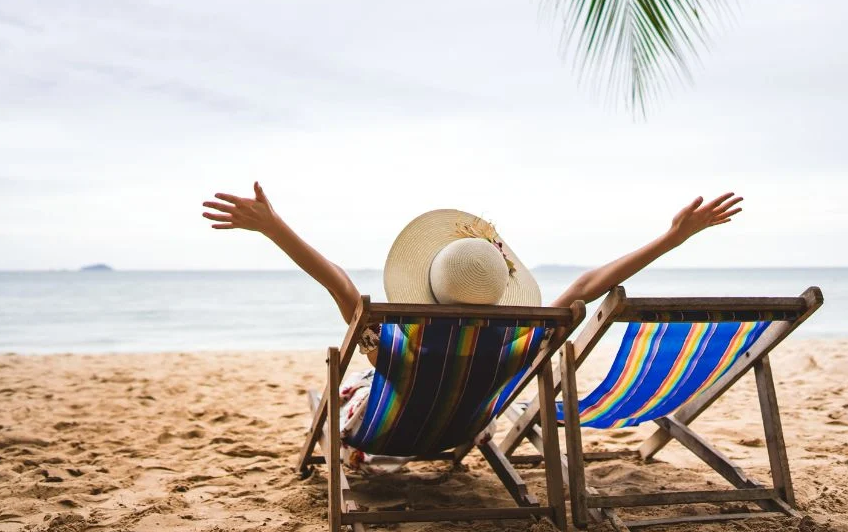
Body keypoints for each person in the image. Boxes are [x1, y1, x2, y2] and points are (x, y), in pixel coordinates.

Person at [201, 182, 742, 472]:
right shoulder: (521, 343)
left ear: (426, 286)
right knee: (393, 389)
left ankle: (352, 452)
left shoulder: (399, 344)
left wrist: (274, 229)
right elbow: (586, 288)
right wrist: (672, 239)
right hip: (462, 431)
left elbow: (342, 288)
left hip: (382, 430)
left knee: (339, 392)